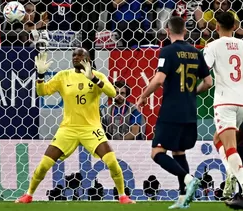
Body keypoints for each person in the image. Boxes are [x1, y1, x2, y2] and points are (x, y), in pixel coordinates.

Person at [15, 48, 135, 204]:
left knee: (112, 161)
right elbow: (42, 92)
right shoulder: (64, 76)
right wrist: (40, 75)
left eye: (80, 55)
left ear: (88, 59)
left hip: (92, 129)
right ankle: (28, 195)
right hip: (68, 129)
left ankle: (122, 196)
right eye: (74, 55)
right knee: (44, 164)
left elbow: (113, 93)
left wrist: (92, 77)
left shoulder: (97, 76)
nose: (76, 57)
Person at [137, 16, 213, 209]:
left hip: (171, 111)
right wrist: (191, 93)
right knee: (179, 152)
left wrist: (143, 96)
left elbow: (158, 79)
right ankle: (182, 199)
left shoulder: (167, 51)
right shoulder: (196, 52)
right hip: (189, 111)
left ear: (167, 31)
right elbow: (209, 82)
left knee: (157, 152)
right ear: (185, 31)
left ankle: (188, 179)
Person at [202, 12, 243, 209]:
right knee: (218, 139)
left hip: (225, 102)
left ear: (216, 27)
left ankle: (239, 180)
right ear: (235, 26)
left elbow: (204, 72)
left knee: (230, 148)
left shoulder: (212, 46)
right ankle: (230, 171)